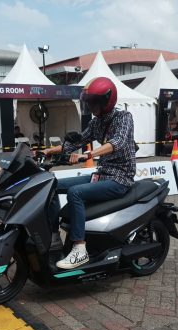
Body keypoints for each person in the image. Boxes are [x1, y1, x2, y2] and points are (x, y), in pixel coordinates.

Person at [45, 77, 135, 269]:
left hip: (120, 178)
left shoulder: (124, 117)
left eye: (93, 102)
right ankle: (54, 236)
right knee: (50, 184)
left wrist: (88, 155)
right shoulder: (96, 123)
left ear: (106, 101)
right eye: (89, 102)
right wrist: (48, 151)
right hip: (103, 174)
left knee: (75, 192)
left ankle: (79, 249)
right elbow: (78, 141)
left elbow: (117, 142)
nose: (90, 106)